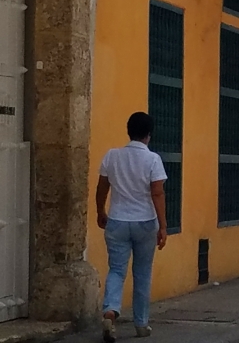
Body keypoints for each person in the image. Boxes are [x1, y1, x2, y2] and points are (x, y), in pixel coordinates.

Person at [96, 112, 168, 342]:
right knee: (142, 273)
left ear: (128, 131)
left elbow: (102, 187)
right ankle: (141, 323)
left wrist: (101, 211)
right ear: (149, 134)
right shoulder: (153, 160)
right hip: (145, 222)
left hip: (117, 220)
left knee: (117, 270)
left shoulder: (112, 156)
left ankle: (110, 311)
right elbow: (157, 193)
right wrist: (163, 226)